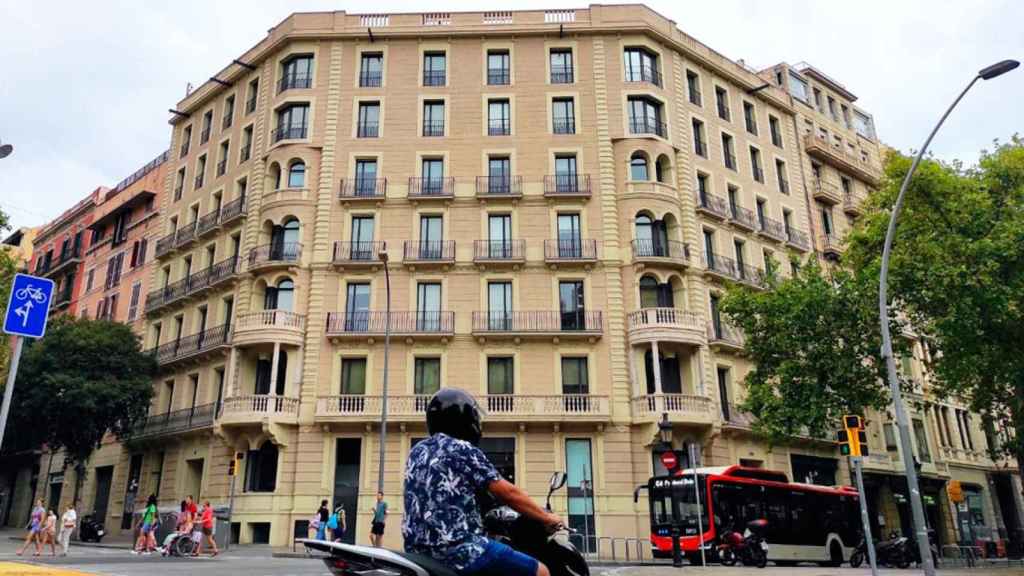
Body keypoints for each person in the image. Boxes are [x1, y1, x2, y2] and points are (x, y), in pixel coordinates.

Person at [403, 389, 563, 576]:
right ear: (464, 418)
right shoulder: (461, 449)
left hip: (418, 552)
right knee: (541, 572)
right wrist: (547, 518)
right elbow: (507, 493)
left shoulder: (417, 451)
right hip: (459, 550)